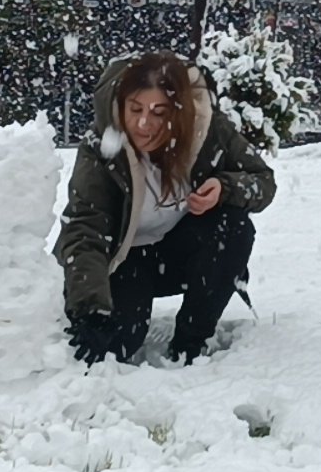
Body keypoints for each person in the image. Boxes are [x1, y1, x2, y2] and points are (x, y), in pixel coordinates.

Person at [55, 51, 276, 365]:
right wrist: (90, 307)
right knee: (114, 346)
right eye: (135, 109)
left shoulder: (209, 131)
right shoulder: (101, 148)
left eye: (159, 112)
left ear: (179, 112)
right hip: (122, 259)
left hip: (181, 254)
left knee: (233, 227)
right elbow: (86, 226)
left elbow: (263, 181)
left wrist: (224, 188)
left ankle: (192, 342)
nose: (144, 123)